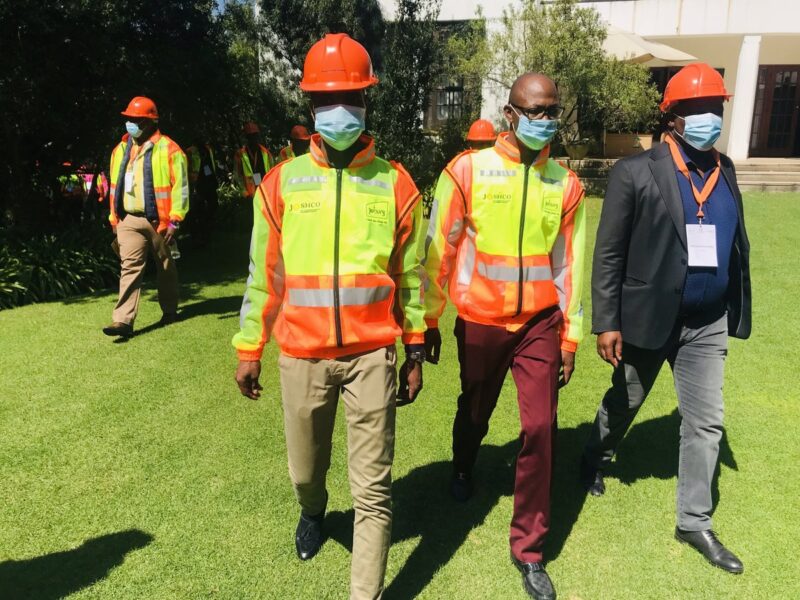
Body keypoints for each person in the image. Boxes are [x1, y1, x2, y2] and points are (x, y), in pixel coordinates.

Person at [232, 33, 426, 600]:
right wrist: (250, 348)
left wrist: (414, 345)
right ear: (310, 106)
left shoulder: (396, 183)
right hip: (301, 355)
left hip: (371, 356)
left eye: (349, 97)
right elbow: (262, 276)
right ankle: (312, 512)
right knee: (305, 471)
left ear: (367, 102)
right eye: (324, 100)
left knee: (373, 492)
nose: (337, 110)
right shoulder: (281, 183)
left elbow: (412, 276)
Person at [580, 63, 751, 574]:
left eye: (715, 108)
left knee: (706, 421)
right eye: (698, 109)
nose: (708, 117)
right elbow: (608, 253)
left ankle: (693, 520)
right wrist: (607, 320)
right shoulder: (635, 171)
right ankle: (593, 456)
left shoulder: (727, 169)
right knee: (626, 398)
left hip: (706, 320)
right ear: (673, 117)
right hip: (651, 314)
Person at [423, 73, 586, 600]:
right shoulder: (466, 171)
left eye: (552, 111)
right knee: (476, 409)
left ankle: (530, 549)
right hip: (481, 319)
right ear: (510, 113)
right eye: (533, 111)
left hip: (540, 323)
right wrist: (427, 319)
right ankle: (464, 464)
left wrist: (569, 334)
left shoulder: (566, 184)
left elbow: (569, 264)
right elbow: (439, 250)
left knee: (540, 428)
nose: (544, 122)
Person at [102, 96, 189, 338]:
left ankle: (170, 311)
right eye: (129, 119)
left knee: (166, 267)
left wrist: (175, 220)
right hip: (128, 219)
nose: (132, 123)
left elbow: (180, 188)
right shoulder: (119, 150)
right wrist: (113, 219)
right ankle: (122, 321)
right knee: (129, 268)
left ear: (151, 122)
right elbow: (114, 187)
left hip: (161, 222)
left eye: (137, 120)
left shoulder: (170, 149)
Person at [186, 140, 219, 246]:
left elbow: (212, 165)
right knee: (197, 212)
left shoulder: (208, 149)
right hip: (197, 185)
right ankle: (197, 237)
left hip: (209, 183)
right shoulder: (190, 151)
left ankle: (207, 234)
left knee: (211, 208)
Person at [233, 122, 274, 199]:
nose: (253, 139)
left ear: (258, 136)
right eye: (250, 136)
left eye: (255, 135)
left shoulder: (265, 152)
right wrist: (244, 192)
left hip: (266, 191)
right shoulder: (240, 155)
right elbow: (237, 175)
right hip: (251, 195)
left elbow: (273, 171)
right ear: (246, 138)